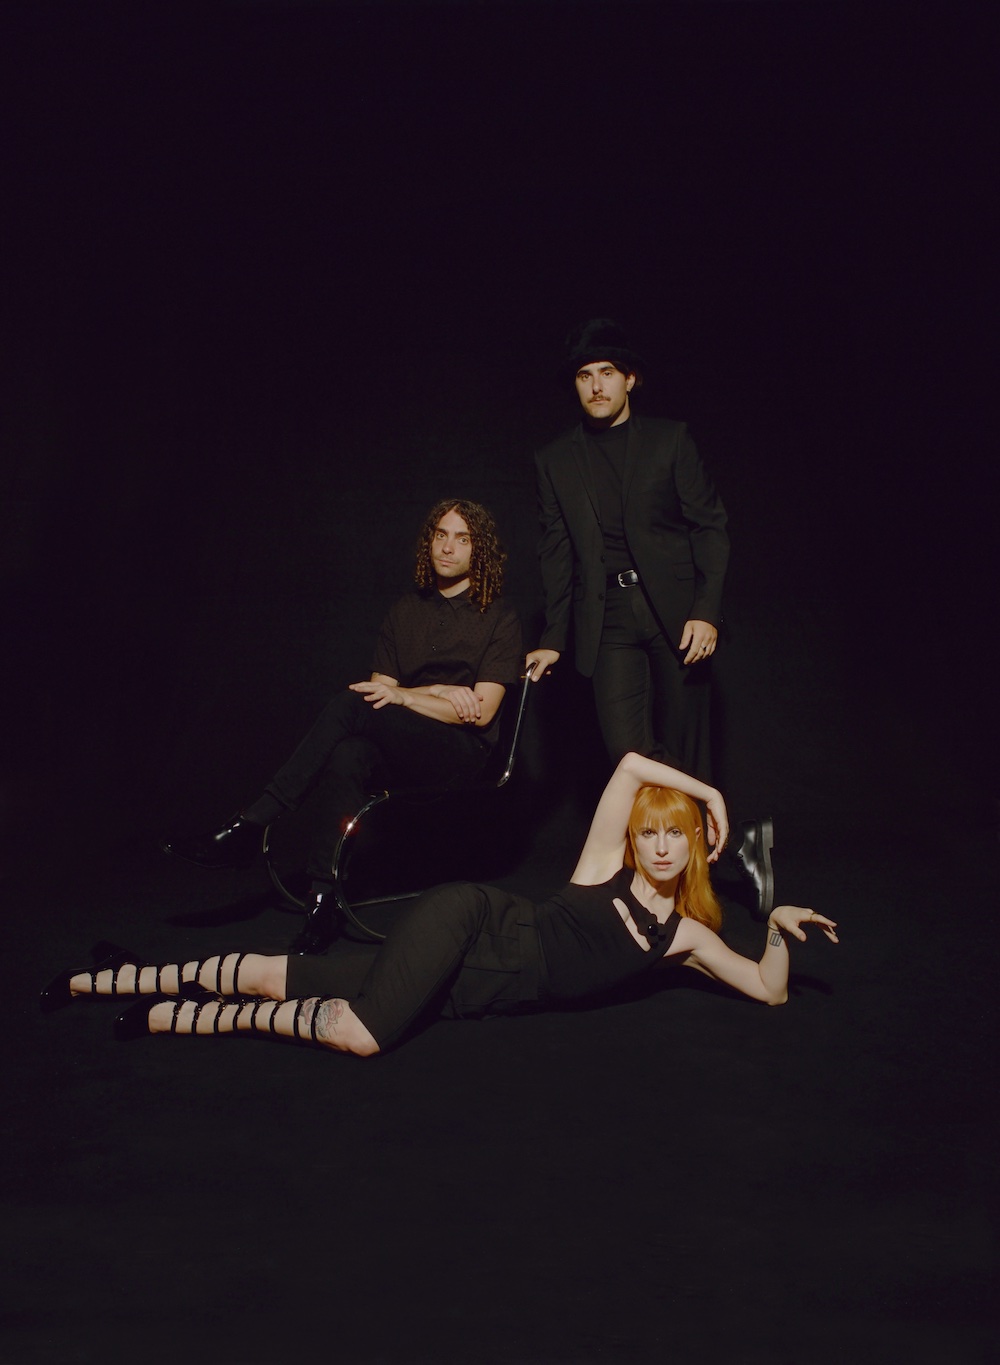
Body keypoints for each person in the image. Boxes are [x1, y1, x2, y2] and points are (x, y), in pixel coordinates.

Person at [42, 752, 838, 1054]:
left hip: (463, 989)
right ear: (634, 839)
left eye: (676, 835)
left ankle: (115, 981)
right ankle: (153, 1006)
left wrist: (774, 925)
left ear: (694, 847)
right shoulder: (604, 867)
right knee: (360, 1035)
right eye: (651, 833)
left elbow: (768, 989)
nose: (662, 847)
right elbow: (630, 765)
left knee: (274, 976)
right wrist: (707, 793)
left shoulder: (686, 935)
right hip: (467, 921)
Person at [162, 498, 522, 953]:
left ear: (479, 549)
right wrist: (434, 692)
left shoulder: (499, 616)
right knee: (348, 752)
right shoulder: (404, 611)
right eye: (441, 535)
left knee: (350, 706)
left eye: (462, 539)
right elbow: (377, 694)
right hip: (404, 745)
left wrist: (407, 696)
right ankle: (323, 899)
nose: (447, 547)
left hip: (460, 755)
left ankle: (251, 824)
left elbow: (481, 712)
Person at [525, 318, 729, 781]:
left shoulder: (670, 440)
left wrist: (706, 611)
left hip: (676, 614)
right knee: (627, 755)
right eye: (585, 375)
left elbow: (710, 527)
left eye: (608, 372)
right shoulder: (554, 459)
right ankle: (672, 823)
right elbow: (555, 551)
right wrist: (553, 638)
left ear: (630, 379)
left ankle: (703, 828)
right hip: (607, 617)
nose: (596, 386)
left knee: (685, 747)